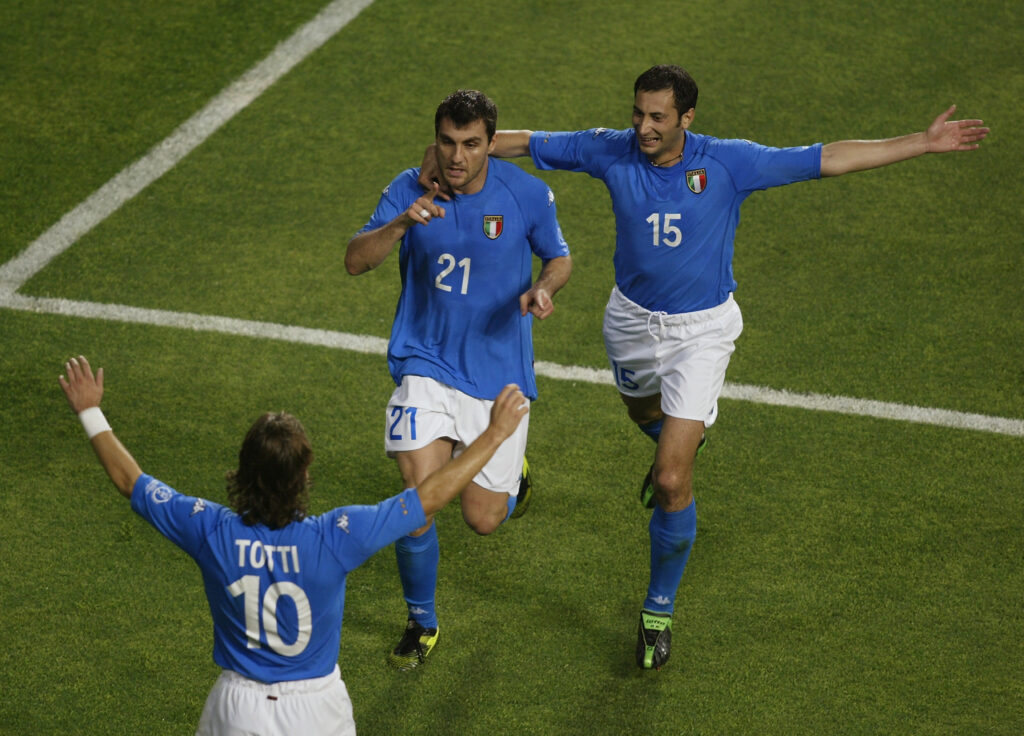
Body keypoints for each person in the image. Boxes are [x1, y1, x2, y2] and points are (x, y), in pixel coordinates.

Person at [420, 64, 989, 670]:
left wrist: (921, 144)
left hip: (702, 333)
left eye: (657, 117)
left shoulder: (728, 163)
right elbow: (529, 142)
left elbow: (825, 158)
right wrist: (445, 156)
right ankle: (664, 450)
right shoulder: (610, 150)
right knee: (648, 420)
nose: (642, 126)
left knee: (670, 478)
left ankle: (658, 605)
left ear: (686, 118)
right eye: (638, 113)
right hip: (632, 325)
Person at [59, 355, 529, 735]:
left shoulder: (208, 529)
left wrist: (89, 409)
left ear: (242, 472)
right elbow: (429, 497)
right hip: (317, 712)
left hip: (236, 709)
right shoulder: (337, 535)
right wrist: (494, 435)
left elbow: (130, 480)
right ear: (303, 476)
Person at [345, 89, 572, 670]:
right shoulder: (410, 188)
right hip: (425, 363)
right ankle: (422, 621)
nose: (457, 156)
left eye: (471, 144)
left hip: (497, 377)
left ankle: (512, 473)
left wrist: (544, 288)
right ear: (436, 139)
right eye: (448, 142)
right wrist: (401, 222)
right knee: (415, 506)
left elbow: (559, 257)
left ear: (493, 144)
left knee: (482, 520)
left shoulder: (525, 194)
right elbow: (354, 260)